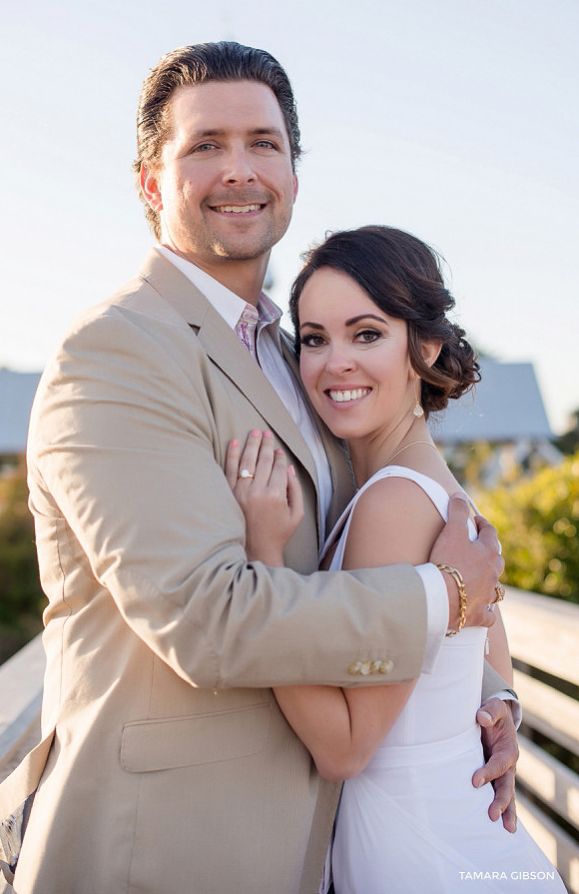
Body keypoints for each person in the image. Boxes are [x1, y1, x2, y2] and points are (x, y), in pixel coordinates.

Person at [0, 44, 515, 894]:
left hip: (317, 847)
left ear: (294, 176)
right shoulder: (117, 351)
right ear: (152, 184)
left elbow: (382, 534)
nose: (239, 170)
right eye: (205, 145)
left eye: (264, 143)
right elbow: (203, 615)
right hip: (163, 850)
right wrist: (439, 599)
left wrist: (485, 701)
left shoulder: (300, 353)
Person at [226, 225, 565, 892]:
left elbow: (346, 745)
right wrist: (503, 705)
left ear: (426, 346)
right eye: (315, 337)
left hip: (426, 858)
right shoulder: (433, 488)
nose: (334, 361)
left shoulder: (395, 503)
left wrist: (264, 559)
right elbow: (487, 637)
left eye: (367, 333)